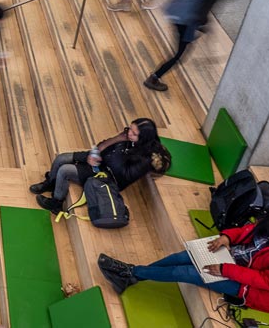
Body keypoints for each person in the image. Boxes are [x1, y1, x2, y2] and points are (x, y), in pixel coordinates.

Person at [97, 217, 269, 311]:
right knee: (181, 257)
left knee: (186, 273)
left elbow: (262, 280)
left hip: (247, 287)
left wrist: (226, 269)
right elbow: (247, 230)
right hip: (231, 257)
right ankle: (133, 275)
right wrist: (227, 237)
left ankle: (130, 272)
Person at [30, 118, 171, 214]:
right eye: (130, 129)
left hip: (107, 176)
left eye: (134, 133)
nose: (129, 133)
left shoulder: (144, 158)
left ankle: (56, 203)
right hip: (100, 159)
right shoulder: (126, 137)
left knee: (64, 170)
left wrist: (105, 156)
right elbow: (103, 144)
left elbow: (124, 176)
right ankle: (50, 183)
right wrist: (96, 153)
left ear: (143, 137)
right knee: (61, 158)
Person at [144, 0, 236, 92]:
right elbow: (200, 13)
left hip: (175, 14)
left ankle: (156, 75)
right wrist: (203, 25)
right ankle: (154, 78)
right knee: (179, 55)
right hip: (186, 21)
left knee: (185, 42)